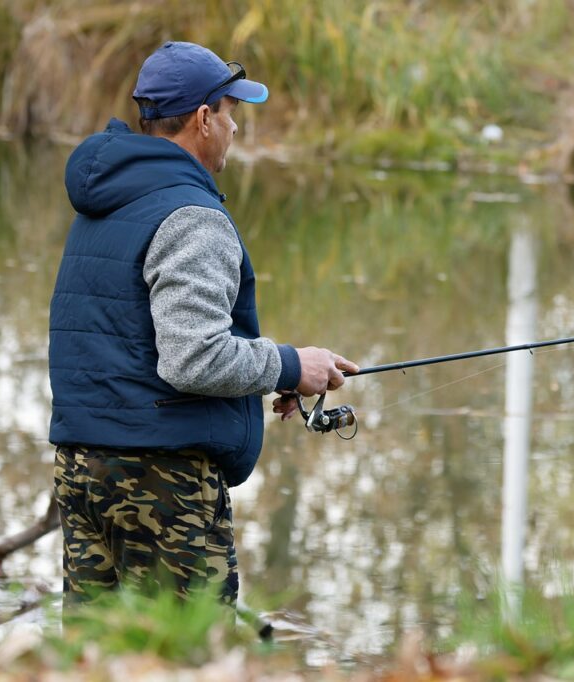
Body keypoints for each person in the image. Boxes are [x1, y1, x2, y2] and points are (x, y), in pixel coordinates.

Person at [48, 41, 357, 606]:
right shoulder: (192, 216)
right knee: (189, 656)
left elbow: (133, 344)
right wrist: (292, 362)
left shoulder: (106, 201)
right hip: (160, 480)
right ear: (204, 119)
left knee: (96, 658)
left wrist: (274, 376)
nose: (237, 128)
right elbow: (192, 358)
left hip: (82, 469)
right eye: (232, 112)